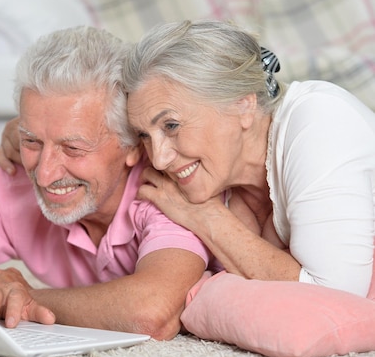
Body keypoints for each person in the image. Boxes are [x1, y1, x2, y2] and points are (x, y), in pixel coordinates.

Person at [0, 25, 213, 340]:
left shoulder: (166, 189)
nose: (45, 174)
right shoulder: (13, 175)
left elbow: (150, 312)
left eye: (73, 148)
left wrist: (24, 298)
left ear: (132, 144)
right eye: (32, 141)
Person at [121, 19, 375, 297]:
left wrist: (208, 219)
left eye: (171, 126)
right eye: (144, 135)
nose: (158, 159)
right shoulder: (227, 182)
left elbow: (337, 295)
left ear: (243, 104)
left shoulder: (320, 121)